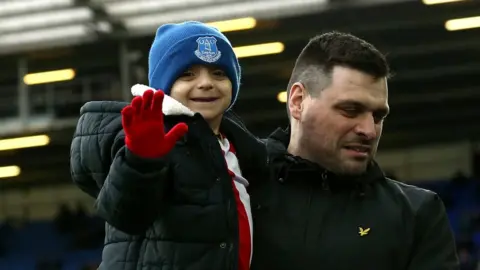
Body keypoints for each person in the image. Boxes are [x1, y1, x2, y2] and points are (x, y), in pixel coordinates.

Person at [249, 32, 459, 270]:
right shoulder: (239, 192)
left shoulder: (417, 215)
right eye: (350, 110)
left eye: (378, 116)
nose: (369, 131)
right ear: (298, 102)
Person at [70, 21, 266, 270]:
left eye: (219, 73)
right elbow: (126, 215)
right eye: (187, 74)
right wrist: (141, 160)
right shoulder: (149, 138)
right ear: (164, 86)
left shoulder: (243, 151)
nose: (206, 83)